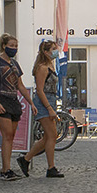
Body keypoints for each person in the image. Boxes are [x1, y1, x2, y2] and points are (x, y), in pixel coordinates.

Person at [19, 39, 65, 179]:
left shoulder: (50, 65)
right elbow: (39, 90)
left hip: (50, 99)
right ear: (45, 52)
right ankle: (51, 167)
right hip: (44, 101)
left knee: (48, 136)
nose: (55, 52)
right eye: (53, 49)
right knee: (52, 135)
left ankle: (25, 159)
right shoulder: (42, 68)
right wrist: (49, 108)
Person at [0, 33, 25, 181]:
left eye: (16, 46)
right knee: (7, 135)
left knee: (10, 137)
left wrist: (31, 102)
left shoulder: (14, 64)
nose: (14, 49)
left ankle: (7, 169)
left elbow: (20, 85)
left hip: (13, 101)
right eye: (11, 46)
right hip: (1, 99)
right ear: (4, 46)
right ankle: (5, 169)